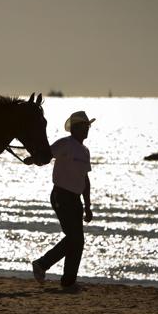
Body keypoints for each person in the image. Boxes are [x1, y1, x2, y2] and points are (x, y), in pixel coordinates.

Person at [28, 111, 95, 291]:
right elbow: (46, 155)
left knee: (77, 240)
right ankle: (43, 264)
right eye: (84, 126)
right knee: (75, 238)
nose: (87, 129)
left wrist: (88, 206)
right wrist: (33, 159)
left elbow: (85, 180)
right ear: (75, 128)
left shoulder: (85, 151)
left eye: (88, 126)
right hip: (61, 196)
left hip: (75, 199)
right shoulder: (65, 143)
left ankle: (68, 281)